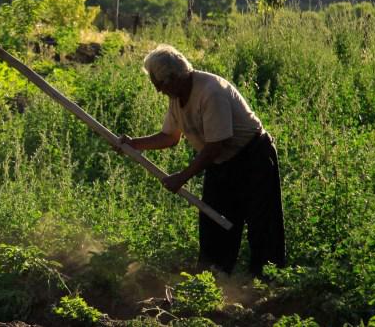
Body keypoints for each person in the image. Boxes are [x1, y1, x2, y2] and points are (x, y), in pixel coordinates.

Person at [118, 44, 286, 276]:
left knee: (262, 226)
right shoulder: (176, 95)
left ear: (175, 77)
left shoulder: (211, 92)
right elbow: (169, 137)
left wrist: (182, 177)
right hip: (221, 163)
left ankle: (267, 284)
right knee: (214, 226)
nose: (158, 91)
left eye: (160, 85)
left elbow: (215, 146)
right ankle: (213, 283)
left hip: (252, 157)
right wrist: (134, 143)